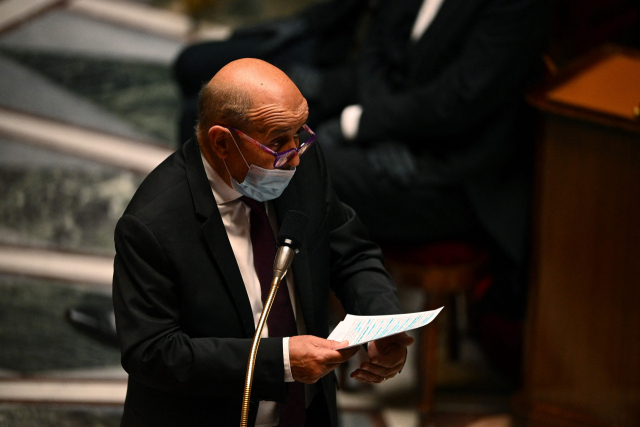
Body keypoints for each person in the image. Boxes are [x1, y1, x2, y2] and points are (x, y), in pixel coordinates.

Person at [112, 58, 413, 427]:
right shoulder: (153, 224)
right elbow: (153, 352)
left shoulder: (300, 162)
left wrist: (382, 323)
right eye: (278, 141)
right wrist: (282, 361)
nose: (296, 156)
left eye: (300, 133)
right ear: (222, 142)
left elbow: (351, 252)